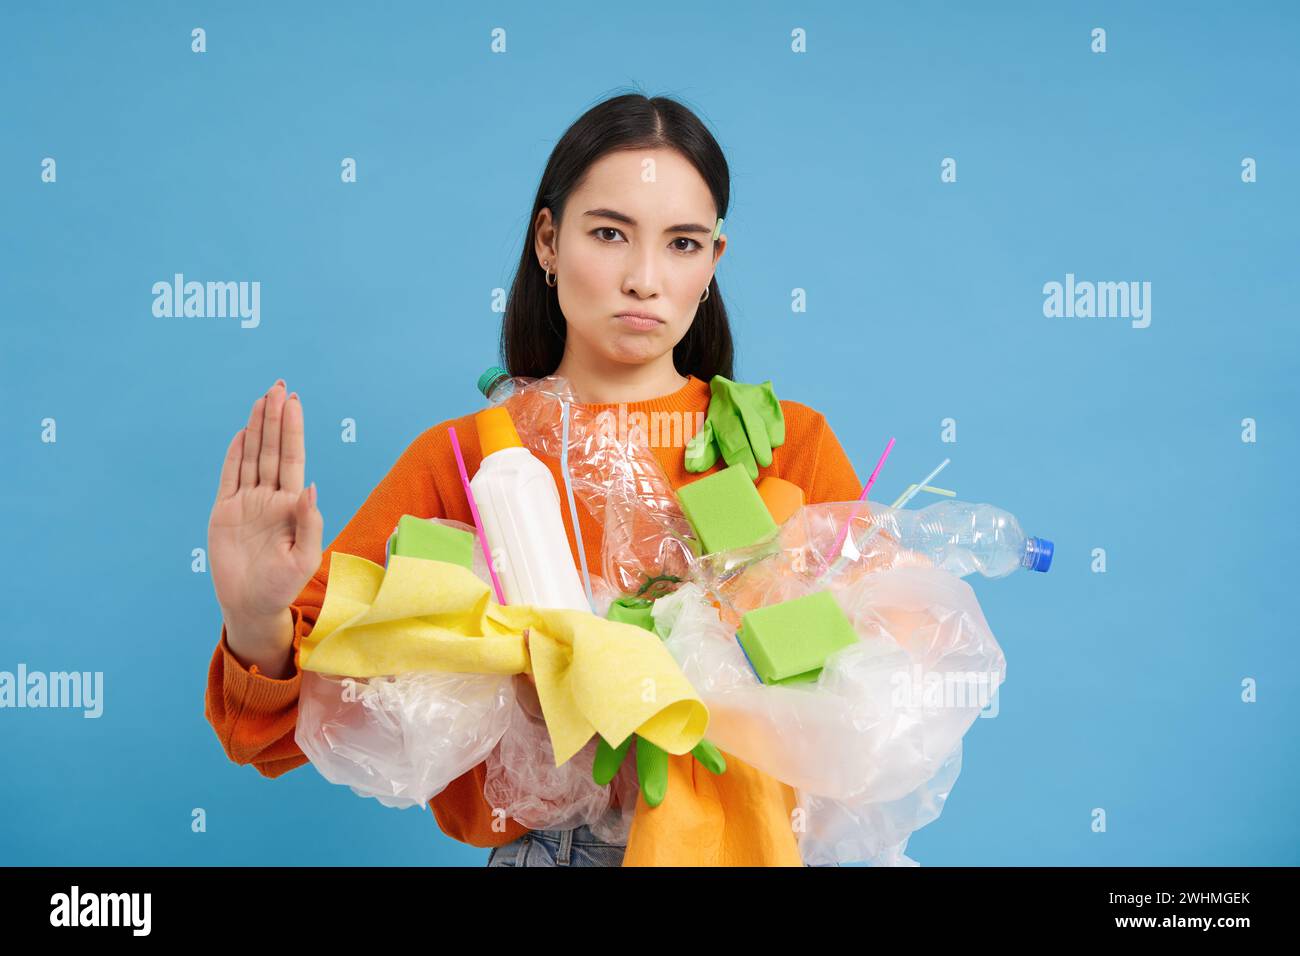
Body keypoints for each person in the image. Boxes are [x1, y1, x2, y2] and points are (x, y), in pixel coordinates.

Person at [204, 91, 863, 867]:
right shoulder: (463, 459)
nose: (645, 278)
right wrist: (255, 619)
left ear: (712, 262)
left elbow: (879, 671)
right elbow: (274, 734)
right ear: (548, 242)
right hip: (548, 848)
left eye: (682, 244)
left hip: (746, 840)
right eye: (610, 233)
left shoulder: (788, 446)